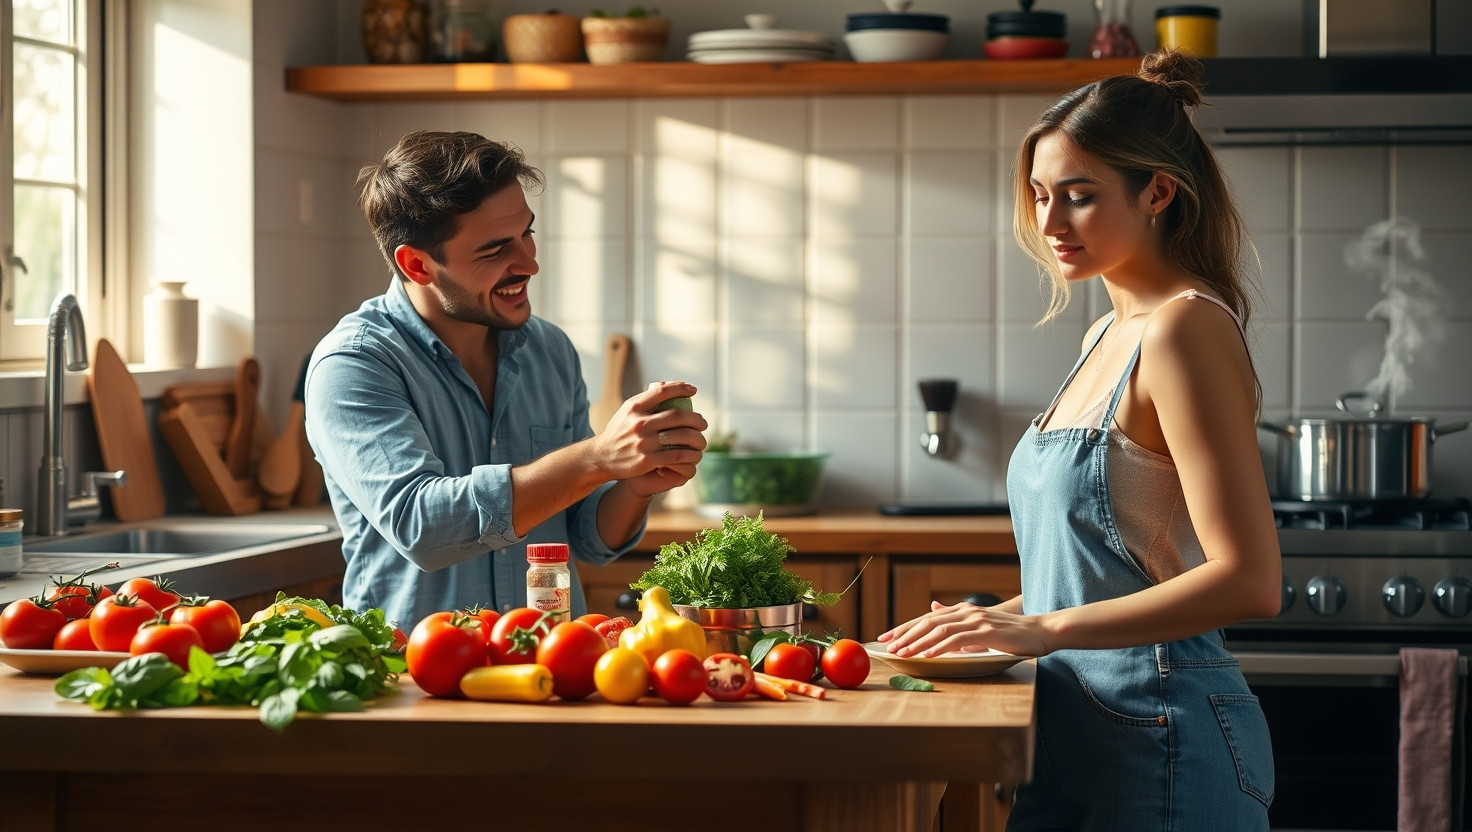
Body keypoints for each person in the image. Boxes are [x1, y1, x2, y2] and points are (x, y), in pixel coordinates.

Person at [879, 50, 1281, 831]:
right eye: (1039, 197)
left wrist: (1037, 628)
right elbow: (1109, 574)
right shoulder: (1107, 331)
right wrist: (987, 622)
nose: (1050, 224)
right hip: (1070, 736)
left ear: (1158, 191)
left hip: (1164, 739)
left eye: (1080, 197)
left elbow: (1248, 580)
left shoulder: (1184, 328)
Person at [304, 130, 707, 633]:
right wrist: (597, 457)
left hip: (554, 670)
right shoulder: (354, 364)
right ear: (417, 264)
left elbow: (584, 537)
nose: (529, 263)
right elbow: (424, 526)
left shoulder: (550, 351)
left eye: (527, 235)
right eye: (495, 250)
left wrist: (634, 485)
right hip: (413, 679)